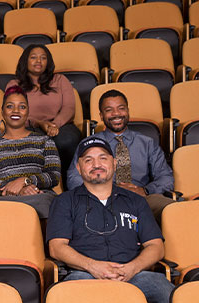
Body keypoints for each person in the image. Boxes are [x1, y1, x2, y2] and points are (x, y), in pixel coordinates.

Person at [47, 136, 174, 303]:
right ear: (78, 167)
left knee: (168, 293)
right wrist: (93, 267)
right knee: (68, 297)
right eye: (88, 160)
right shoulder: (65, 201)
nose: (96, 165)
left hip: (135, 274)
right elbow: (57, 247)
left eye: (102, 158)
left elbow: (156, 246)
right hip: (85, 274)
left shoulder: (136, 201)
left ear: (114, 163)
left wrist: (132, 268)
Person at [67, 89, 175, 220]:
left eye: (121, 108)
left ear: (128, 111)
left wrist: (145, 191)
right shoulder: (89, 143)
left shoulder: (147, 143)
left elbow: (166, 177)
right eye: (109, 110)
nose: (116, 113)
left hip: (141, 198)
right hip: (101, 200)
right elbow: (73, 178)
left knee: (171, 209)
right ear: (101, 115)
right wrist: (104, 191)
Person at [0, 85, 60, 220]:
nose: (16, 111)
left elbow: (54, 175)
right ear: (2, 111)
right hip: (4, 200)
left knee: (49, 204)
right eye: (10, 106)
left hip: (38, 196)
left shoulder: (45, 141)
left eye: (22, 107)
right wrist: (15, 190)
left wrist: (26, 181)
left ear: (28, 112)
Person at [6, 44, 81, 180]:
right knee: (33, 144)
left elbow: (69, 108)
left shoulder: (60, 80)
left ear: (48, 62)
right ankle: (36, 184)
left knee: (68, 141)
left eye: (43, 58)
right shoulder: (14, 84)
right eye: (33, 57)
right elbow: (13, 112)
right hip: (27, 127)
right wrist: (39, 123)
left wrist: (54, 125)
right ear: (25, 61)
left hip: (60, 126)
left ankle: (68, 182)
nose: (38, 61)